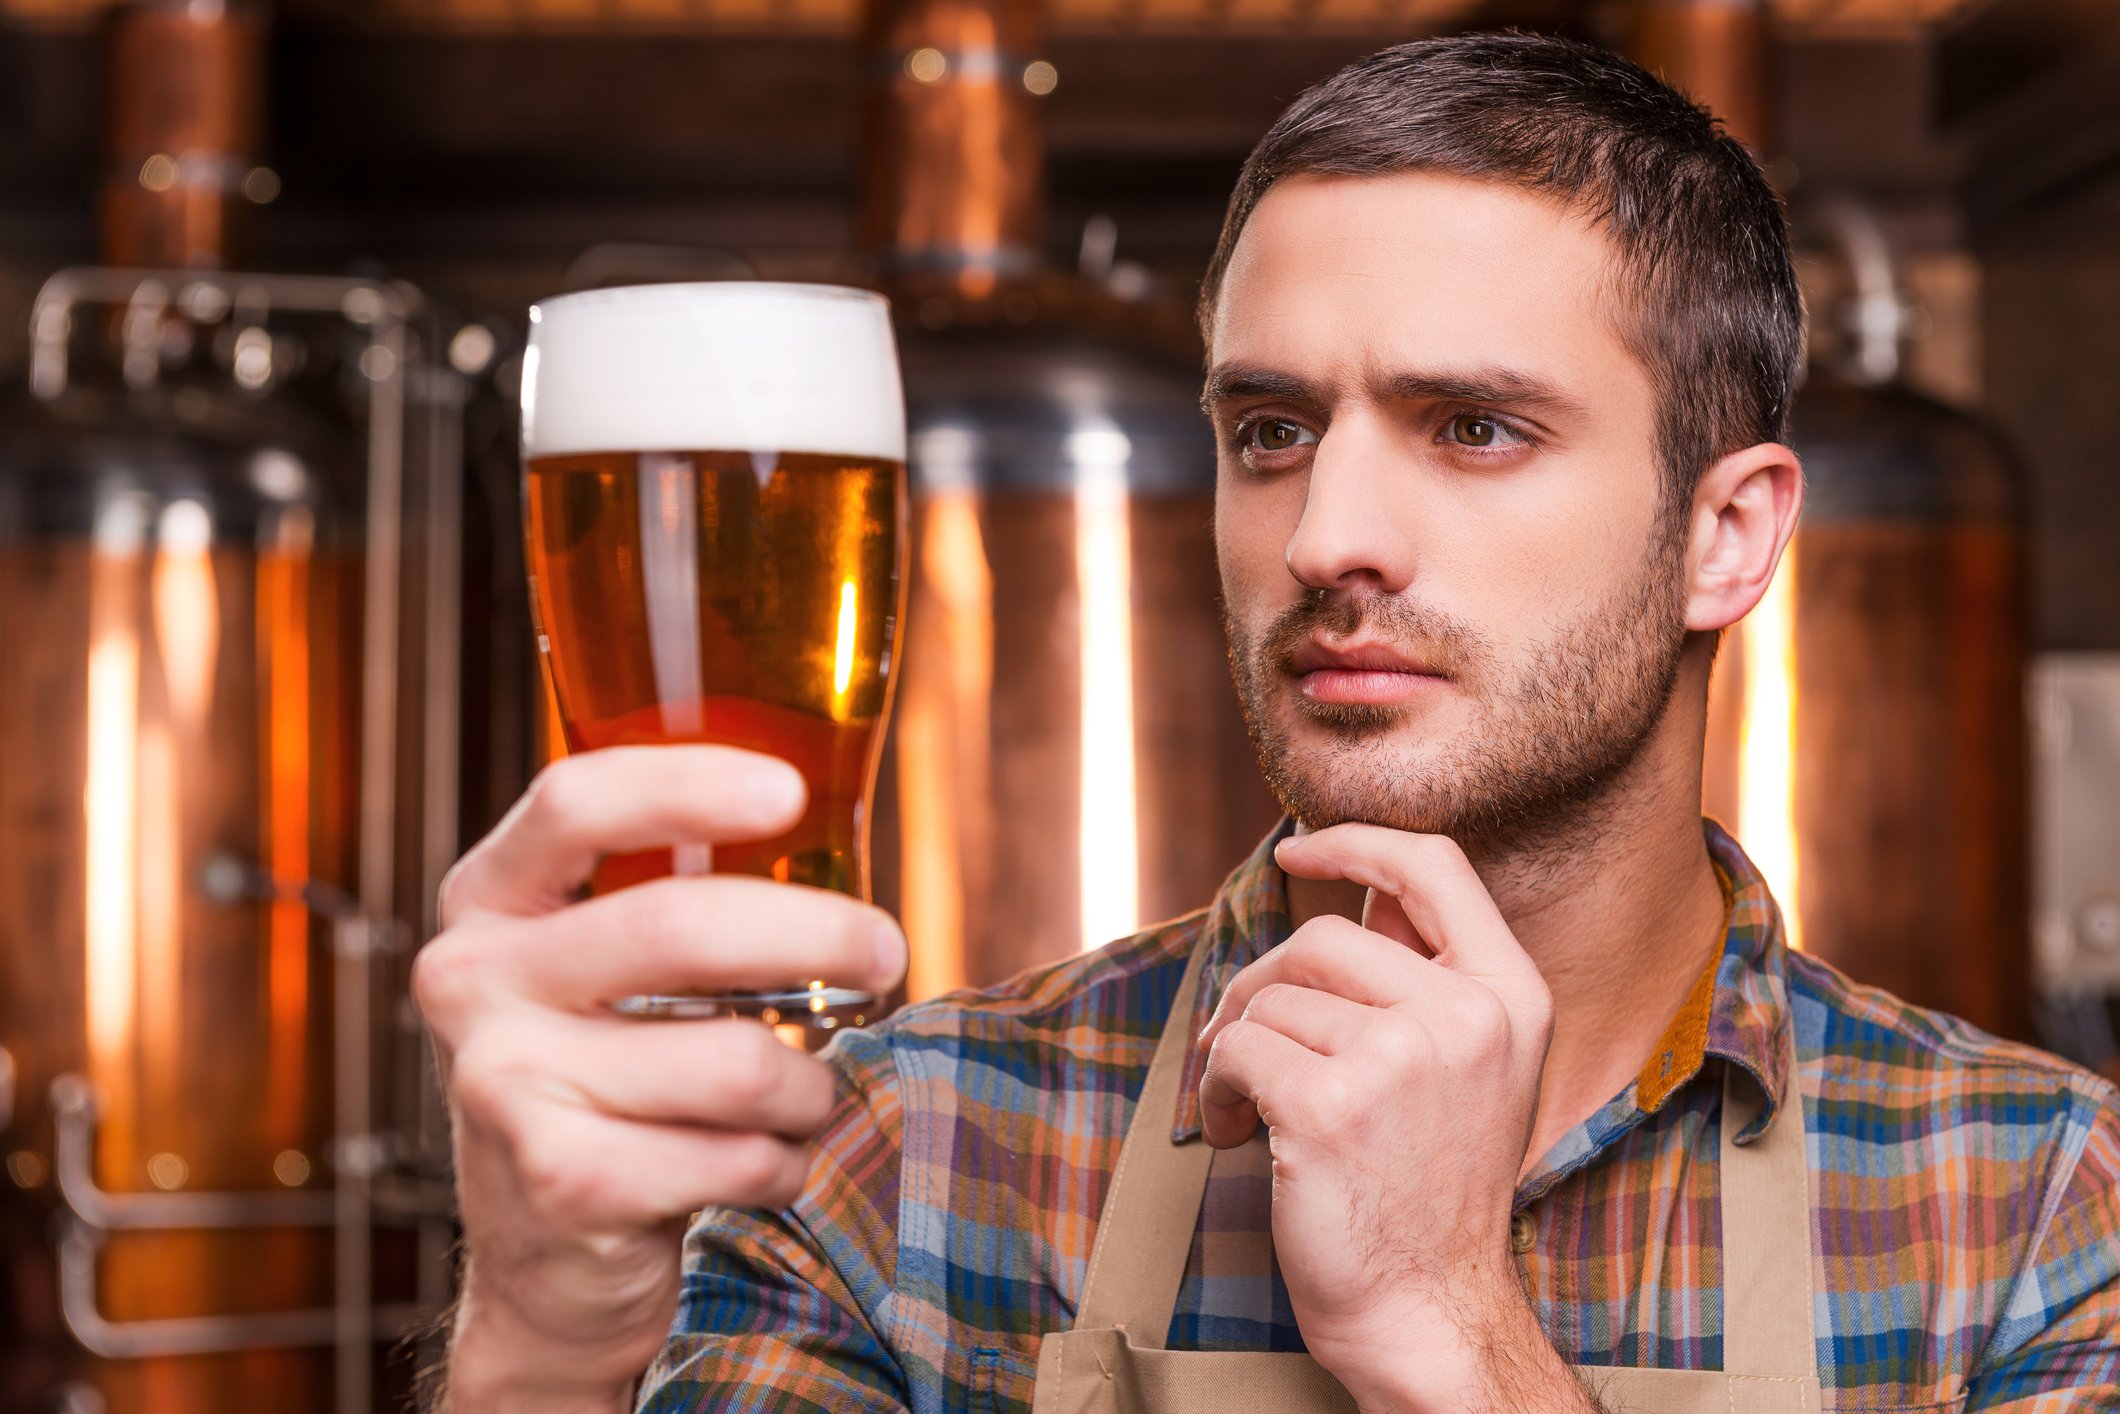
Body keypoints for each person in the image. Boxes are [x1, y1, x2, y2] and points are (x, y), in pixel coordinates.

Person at [415, 33, 2120, 1414]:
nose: (1324, 538)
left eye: (1472, 425)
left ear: (1726, 534)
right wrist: (541, 1352)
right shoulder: (904, 1153)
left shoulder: (2032, 1205)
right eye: (1274, 430)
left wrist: (1452, 1329)